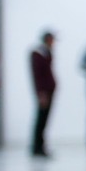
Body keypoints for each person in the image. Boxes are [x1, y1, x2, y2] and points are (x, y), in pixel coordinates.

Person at [29, 30, 57, 159]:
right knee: (41, 120)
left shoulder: (46, 53)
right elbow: (38, 76)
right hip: (44, 92)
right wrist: (41, 93)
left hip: (49, 91)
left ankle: (40, 146)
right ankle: (37, 147)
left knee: (44, 120)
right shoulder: (38, 54)